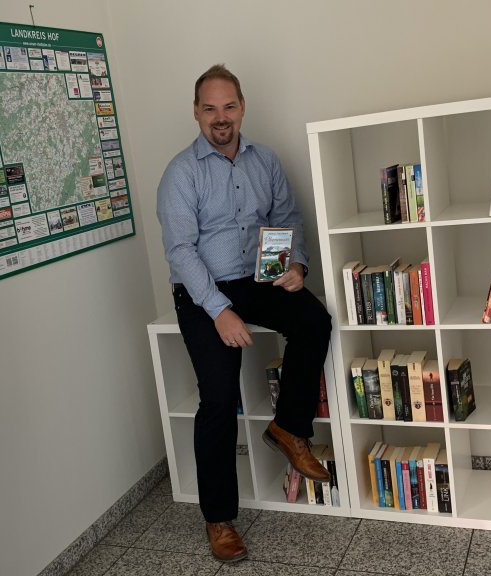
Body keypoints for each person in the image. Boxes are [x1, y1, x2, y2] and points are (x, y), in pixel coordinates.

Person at [157, 64, 332, 563]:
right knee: (218, 397)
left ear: (242, 107)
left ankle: (287, 428)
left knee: (314, 320)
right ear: (196, 112)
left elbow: (287, 218)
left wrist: (296, 265)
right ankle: (218, 519)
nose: (220, 117)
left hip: (255, 277)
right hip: (201, 289)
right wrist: (220, 312)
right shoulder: (181, 173)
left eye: (228, 106)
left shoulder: (265, 160)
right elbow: (181, 253)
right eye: (209, 108)